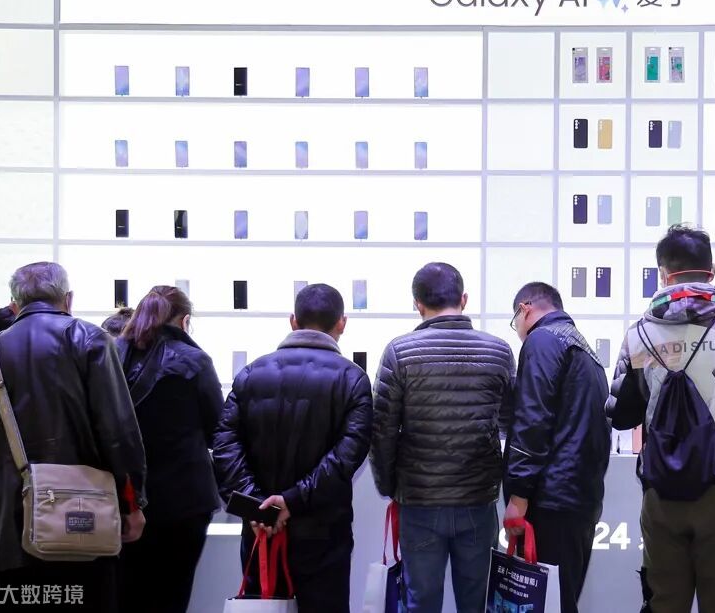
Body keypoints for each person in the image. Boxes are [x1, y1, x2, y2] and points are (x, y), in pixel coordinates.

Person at [607, 225, 715, 612]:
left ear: (663, 274)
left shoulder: (639, 333)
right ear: (712, 271)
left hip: (661, 492)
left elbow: (620, 415)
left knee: (664, 602)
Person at [0, 262, 146, 613]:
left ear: (14, 305)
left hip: (9, 535)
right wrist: (131, 503)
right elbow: (118, 431)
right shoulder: (90, 340)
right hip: (84, 520)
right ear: (68, 299)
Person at [214, 283, 372, 612]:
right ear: (341, 323)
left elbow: (225, 444)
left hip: (261, 531)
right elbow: (347, 456)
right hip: (323, 532)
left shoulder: (250, 373)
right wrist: (293, 500)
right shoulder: (353, 379)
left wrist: (257, 506)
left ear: (293, 321)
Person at [370, 263, 515, 613]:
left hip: (419, 500)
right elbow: (511, 425)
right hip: (478, 500)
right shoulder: (498, 351)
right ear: (463, 299)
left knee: (420, 602)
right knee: (476, 603)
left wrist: (390, 486)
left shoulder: (399, 352)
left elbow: (382, 431)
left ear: (417, 304)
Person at [504, 282, 612, 613]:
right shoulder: (583, 347)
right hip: (580, 499)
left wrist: (518, 496)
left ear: (525, 309)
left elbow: (532, 420)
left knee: (543, 603)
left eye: (515, 322)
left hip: (550, 501)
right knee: (562, 602)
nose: (518, 331)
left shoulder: (542, 340)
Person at [115, 287, 223, 613]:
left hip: (123, 497)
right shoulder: (195, 361)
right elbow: (217, 429)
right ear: (184, 320)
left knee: (125, 595)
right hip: (184, 501)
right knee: (172, 595)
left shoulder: (111, 355)